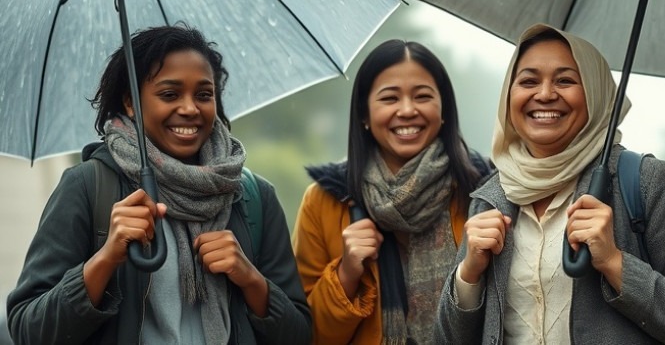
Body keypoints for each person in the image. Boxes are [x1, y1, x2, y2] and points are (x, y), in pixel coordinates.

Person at [7, 25, 312, 344]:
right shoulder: (88, 186)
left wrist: (251, 280)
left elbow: (300, 334)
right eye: (169, 94)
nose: (190, 108)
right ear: (130, 102)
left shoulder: (250, 195)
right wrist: (106, 259)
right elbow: (29, 330)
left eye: (204, 94)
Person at [435, 24, 665, 344]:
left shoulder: (645, 184)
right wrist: (468, 275)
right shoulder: (491, 197)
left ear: (594, 92)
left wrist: (615, 263)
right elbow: (446, 340)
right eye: (528, 81)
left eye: (565, 80)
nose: (546, 94)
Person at [292, 39, 492, 345]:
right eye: (389, 98)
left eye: (423, 96)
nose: (408, 110)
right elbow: (308, 335)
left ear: (444, 110)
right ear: (364, 115)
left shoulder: (483, 191)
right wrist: (346, 274)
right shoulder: (325, 200)